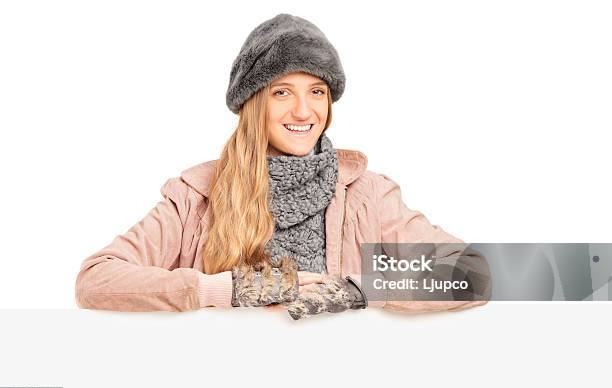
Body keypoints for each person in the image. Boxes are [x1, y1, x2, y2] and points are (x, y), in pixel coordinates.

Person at [75, 13, 490, 319]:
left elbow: (473, 272)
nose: (304, 110)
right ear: (254, 103)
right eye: (282, 92)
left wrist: (361, 288)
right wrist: (221, 289)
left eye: (317, 91)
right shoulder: (196, 194)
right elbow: (96, 280)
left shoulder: (368, 194)